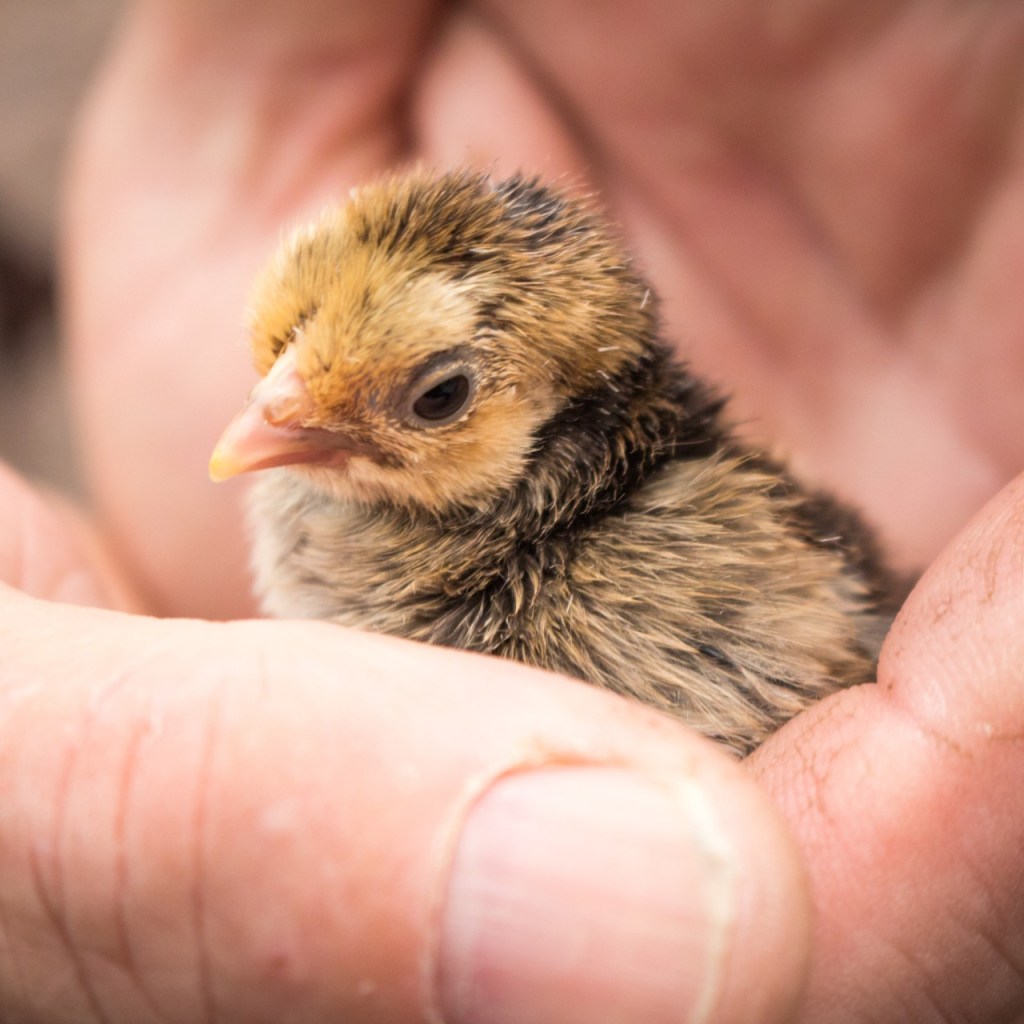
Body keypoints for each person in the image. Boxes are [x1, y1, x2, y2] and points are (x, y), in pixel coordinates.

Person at [3, 2, 1023, 1020]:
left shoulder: (667, 580)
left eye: (436, 396)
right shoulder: (327, 475)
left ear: (558, 411)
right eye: (276, 361)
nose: (269, 420)